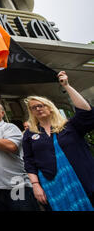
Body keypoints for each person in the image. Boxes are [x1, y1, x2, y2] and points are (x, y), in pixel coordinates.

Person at [23, 71, 94, 211]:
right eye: (33, 107)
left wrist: (67, 86)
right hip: (52, 185)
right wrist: (36, 185)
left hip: (84, 178)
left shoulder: (70, 126)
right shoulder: (30, 134)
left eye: (41, 105)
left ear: (49, 107)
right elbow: (29, 161)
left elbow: (86, 112)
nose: (38, 109)